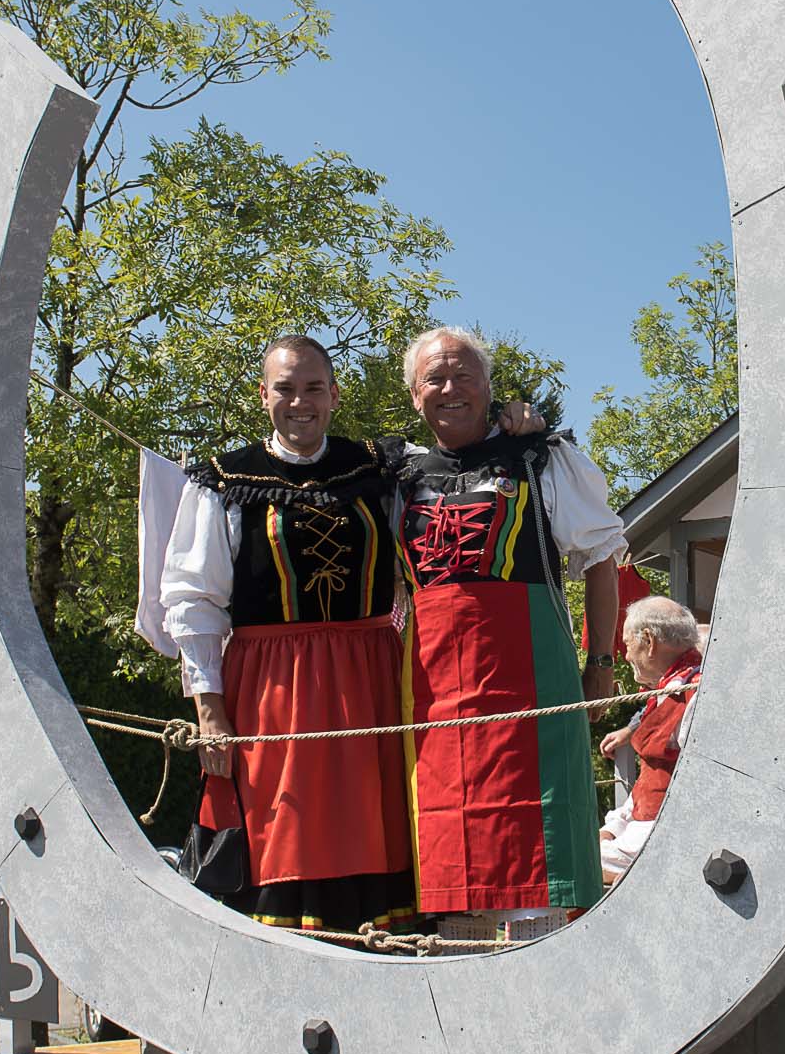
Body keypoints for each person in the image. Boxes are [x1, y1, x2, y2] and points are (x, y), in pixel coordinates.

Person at [157, 334, 539, 933]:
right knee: (286, 834)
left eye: (313, 388)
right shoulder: (226, 481)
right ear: (264, 396)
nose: (300, 402)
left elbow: (460, 447)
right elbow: (192, 603)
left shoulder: (382, 467)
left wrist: (516, 420)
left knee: (378, 829)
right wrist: (209, 712)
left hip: (372, 679)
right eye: (285, 389)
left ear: (334, 395)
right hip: (272, 690)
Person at [397, 326, 627, 934]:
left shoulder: (539, 456)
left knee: (535, 854)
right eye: (435, 379)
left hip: (531, 676)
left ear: (489, 388)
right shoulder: (397, 476)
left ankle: (544, 998)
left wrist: (600, 663)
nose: (451, 389)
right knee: (449, 860)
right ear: (415, 397)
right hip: (430, 689)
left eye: (464, 375)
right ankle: (455, 1003)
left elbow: (602, 561)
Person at [596, 597, 703, 883]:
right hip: (646, 832)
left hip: (670, 842)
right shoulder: (669, 690)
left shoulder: (696, 693)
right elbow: (649, 782)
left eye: (628, 645)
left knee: (563, 861)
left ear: (649, 641)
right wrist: (612, 829)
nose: (627, 656)